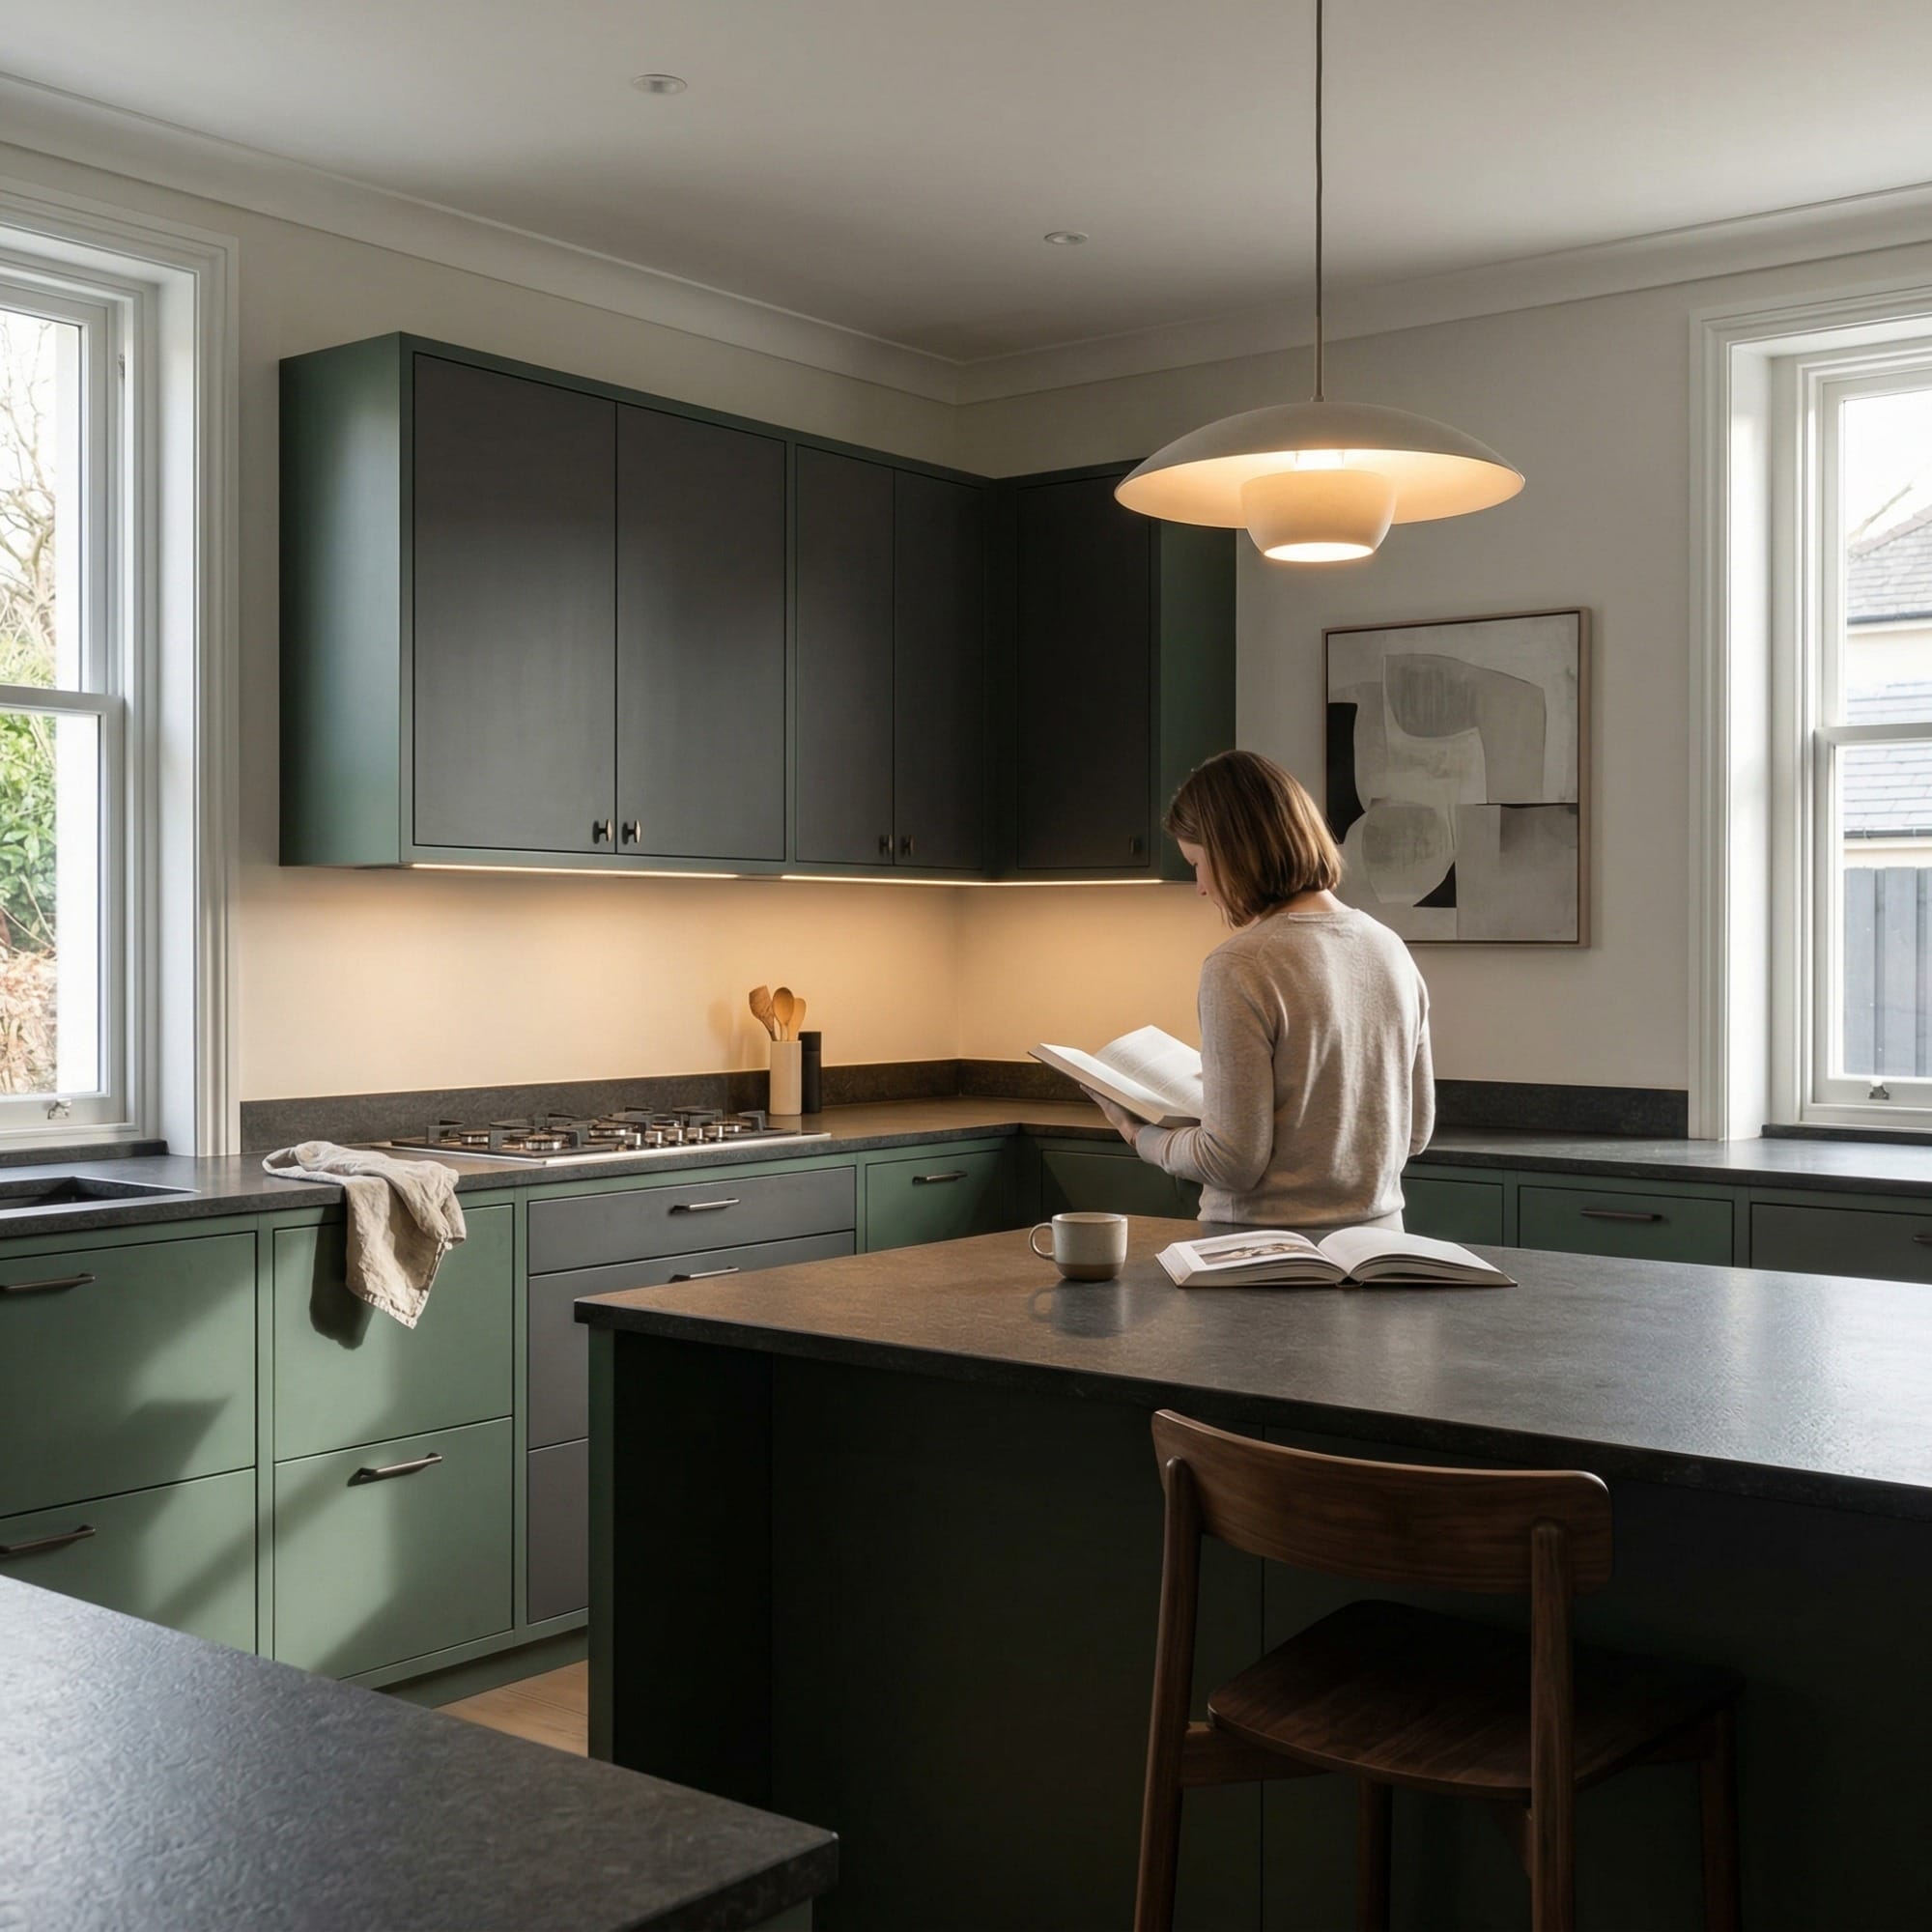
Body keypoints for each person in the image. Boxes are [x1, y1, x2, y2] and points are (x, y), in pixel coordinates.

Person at [1087, 750, 1434, 1230]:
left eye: (1197, 863)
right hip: (1380, 1246)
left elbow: (1230, 1162)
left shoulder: (1239, 965)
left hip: (1263, 1255)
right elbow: (1415, 1132)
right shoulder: (1389, 948)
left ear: (1234, 851)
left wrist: (1139, 1135)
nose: (1200, 888)